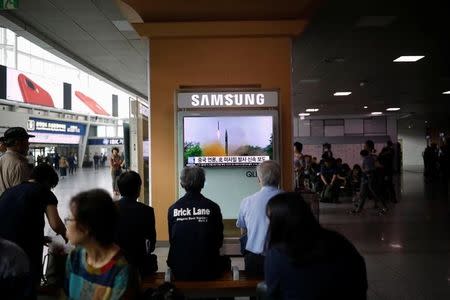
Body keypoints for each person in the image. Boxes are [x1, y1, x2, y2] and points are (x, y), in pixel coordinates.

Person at [264, 192, 368, 299]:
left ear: (278, 222)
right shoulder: (339, 241)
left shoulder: (277, 255)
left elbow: (273, 294)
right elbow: (360, 280)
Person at [0, 164, 66, 293]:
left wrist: (39, 237)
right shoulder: (44, 192)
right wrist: (68, 237)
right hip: (23, 247)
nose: (50, 189)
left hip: (3, 244)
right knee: (29, 276)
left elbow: (14, 218)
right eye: (51, 186)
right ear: (47, 181)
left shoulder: (10, 191)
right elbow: (56, 225)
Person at [65, 189, 138, 299]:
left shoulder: (122, 270)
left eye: (69, 219)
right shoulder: (75, 256)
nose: (66, 223)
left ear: (86, 227)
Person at [168, 166, 230, 280]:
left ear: (182, 184)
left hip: (180, 269)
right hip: (209, 269)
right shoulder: (213, 207)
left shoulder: (173, 209)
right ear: (202, 184)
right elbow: (218, 241)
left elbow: (173, 241)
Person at [236, 160, 282, 277]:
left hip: (255, 261)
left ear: (259, 179)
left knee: (256, 292)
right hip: (284, 260)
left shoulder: (247, 201)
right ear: (279, 178)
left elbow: (243, 232)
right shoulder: (292, 201)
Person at [116, 171, 157, 276]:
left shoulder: (108, 209)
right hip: (138, 268)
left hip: (114, 266)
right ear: (138, 189)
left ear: (119, 189)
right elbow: (151, 245)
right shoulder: (147, 211)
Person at [0, 127, 34, 197]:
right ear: (17, 143)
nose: (29, 144)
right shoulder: (19, 165)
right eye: (26, 141)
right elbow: (22, 197)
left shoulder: (2, 159)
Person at [351, 150, 387, 215]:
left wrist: (369, 173)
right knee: (362, 193)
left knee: (375, 192)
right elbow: (377, 166)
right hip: (366, 176)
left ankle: (384, 207)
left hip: (369, 176)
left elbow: (369, 168)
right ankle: (359, 209)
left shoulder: (368, 159)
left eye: (365, 146)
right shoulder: (371, 157)